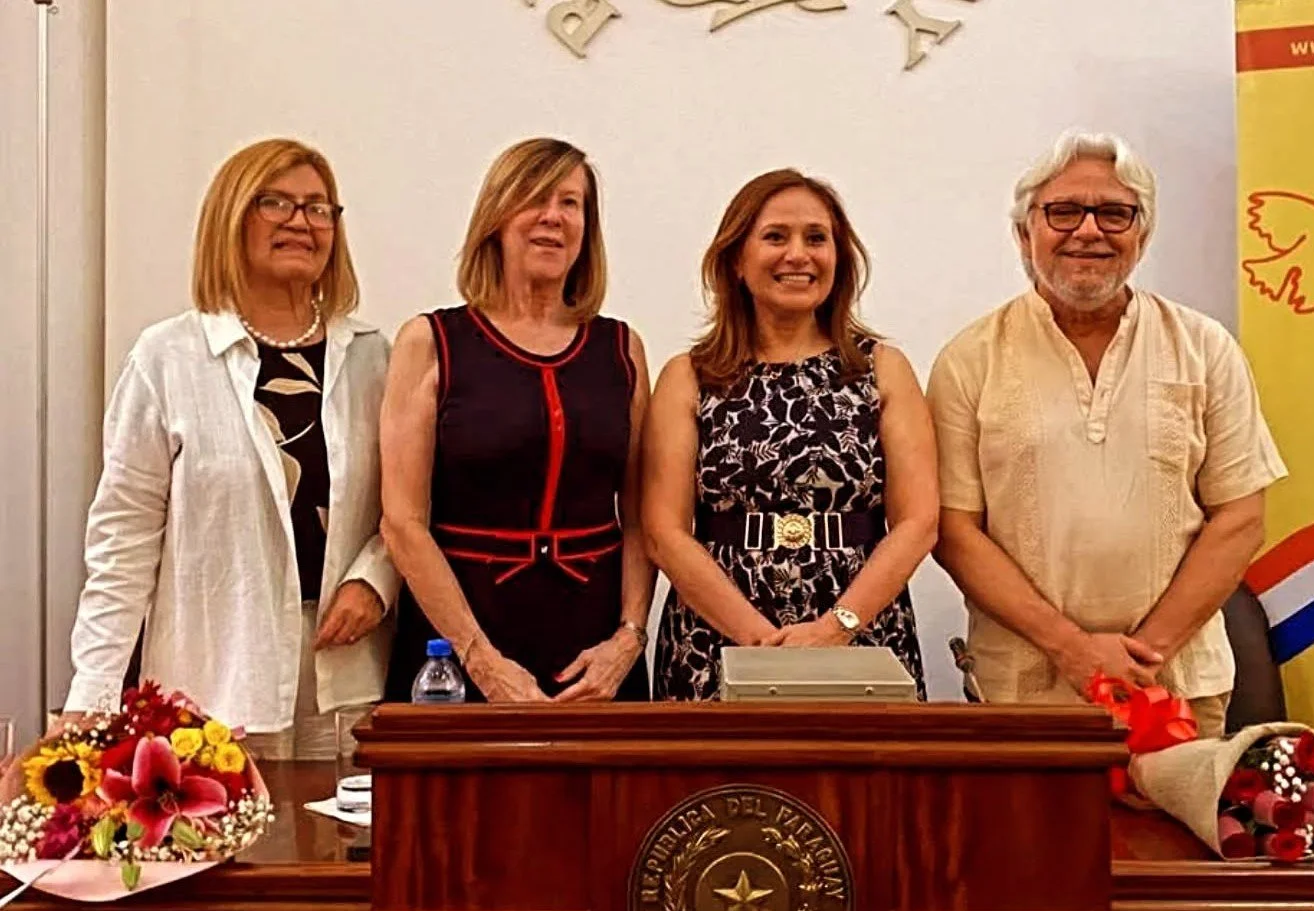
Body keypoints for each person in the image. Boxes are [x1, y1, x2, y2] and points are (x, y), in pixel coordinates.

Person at [928, 130, 1288, 737]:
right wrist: (1071, 647)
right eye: (1063, 212)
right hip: (1024, 689)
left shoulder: (1204, 348)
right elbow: (954, 529)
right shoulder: (970, 360)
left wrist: (1145, 653)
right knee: (1029, 837)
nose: (1088, 231)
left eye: (1114, 213)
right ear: (1025, 233)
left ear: (1141, 234)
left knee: (1172, 836)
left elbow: (1240, 516)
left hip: (1175, 685)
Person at [64, 139, 397, 757]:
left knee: (344, 849)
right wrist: (94, 694)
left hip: (346, 676)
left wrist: (375, 581)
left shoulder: (374, 358)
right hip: (214, 674)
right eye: (276, 203)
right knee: (225, 848)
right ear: (231, 218)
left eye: (319, 208)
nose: (301, 221)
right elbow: (123, 541)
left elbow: (406, 503)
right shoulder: (167, 358)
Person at [645, 169, 937, 700]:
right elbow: (664, 532)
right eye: (775, 236)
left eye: (816, 238)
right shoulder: (688, 376)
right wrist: (762, 645)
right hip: (717, 640)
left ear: (839, 259)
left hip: (863, 636)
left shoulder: (884, 369)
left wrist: (836, 629)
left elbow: (918, 522)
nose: (798, 255)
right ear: (736, 259)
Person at [381, 138, 653, 703]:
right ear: (497, 217)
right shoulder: (431, 342)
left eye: (571, 203)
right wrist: (478, 658)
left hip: (594, 649)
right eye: (534, 198)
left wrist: (629, 638)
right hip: (458, 641)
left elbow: (640, 515)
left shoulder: (621, 349)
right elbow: (402, 522)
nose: (552, 217)